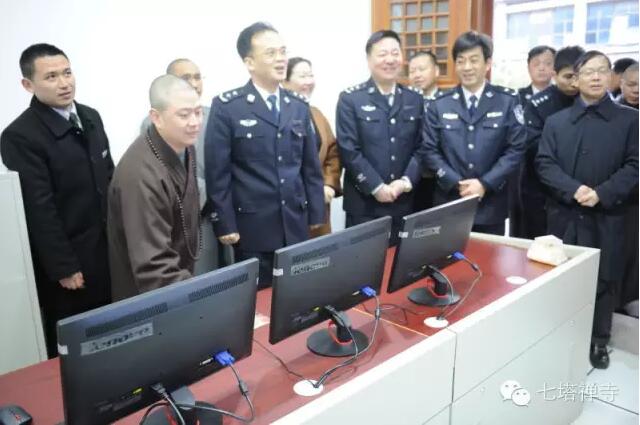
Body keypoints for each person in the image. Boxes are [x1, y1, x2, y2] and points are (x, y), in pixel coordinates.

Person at [0, 43, 113, 358]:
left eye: (67, 72)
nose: (64, 83)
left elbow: (109, 176)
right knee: (78, 347)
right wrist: (64, 266)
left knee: (115, 335)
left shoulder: (89, 116)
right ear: (28, 84)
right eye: (51, 77)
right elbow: (39, 208)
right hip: (70, 264)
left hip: (105, 249)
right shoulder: (20, 136)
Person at [536, 51, 639, 369]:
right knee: (562, 276)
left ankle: (599, 340)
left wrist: (602, 193)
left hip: (610, 214)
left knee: (605, 278)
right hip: (565, 213)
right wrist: (574, 189)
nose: (595, 77)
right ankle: (560, 334)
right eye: (588, 71)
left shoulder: (630, 120)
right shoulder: (557, 122)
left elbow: (635, 165)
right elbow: (544, 163)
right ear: (575, 78)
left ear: (611, 77)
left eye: (602, 71)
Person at [205, 22, 324, 288]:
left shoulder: (298, 105)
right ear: (249, 62)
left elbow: (310, 166)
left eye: (283, 51)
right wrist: (225, 223)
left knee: (300, 294)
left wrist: (316, 212)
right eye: (271, 53)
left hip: (295, 224)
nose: (281, 59)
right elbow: (218, 172)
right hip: (253, 228)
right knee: (259, 301)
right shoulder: (228, 107)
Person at [421, 31, 525, 235]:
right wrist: (455, 182)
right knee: (447, 255)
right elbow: (429, 150)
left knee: (489, 255)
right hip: (449, 200)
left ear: (488, 63)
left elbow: (516, 149)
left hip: (491, 203)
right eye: (461, 61)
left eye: (474, 60)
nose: (467, 67)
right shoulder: (439, 104)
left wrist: (485, 183)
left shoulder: (507, 101)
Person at [108, 75, 202, 301]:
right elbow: (153, 265)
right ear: (156, 117)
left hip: (178, 280)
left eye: (198, 112)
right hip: (150, 296)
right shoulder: (140, 175)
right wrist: (200, 296)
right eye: (184, 115)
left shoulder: (183, 144)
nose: (194, 122)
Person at [336, 30, 424, 245]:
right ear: (369, 59)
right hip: (364, 204)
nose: (390, 60)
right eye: (382, 54)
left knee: (402, 262)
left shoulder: (414, 99)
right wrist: (376, 186)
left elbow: (422, 147)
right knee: (362, 263)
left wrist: (405, 182)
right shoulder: (351, 99)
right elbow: (349, 150)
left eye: (395, 53)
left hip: (404, 202)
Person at [141, 58, 220, 274]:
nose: (193, 83)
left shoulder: (215, 114)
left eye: (197, 77)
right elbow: (166, 171)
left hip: (221, 211)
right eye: (186, 78)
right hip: (189, 216)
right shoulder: (155, 123)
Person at [510, 46, 585, 239]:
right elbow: (533, 148)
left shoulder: (590, 101)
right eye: (569, 76)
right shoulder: (538, 104)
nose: (575, 82)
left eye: (579, 76)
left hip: (584, 190)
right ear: (556, 74)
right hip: (542, 188)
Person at [283, 57, 341, 237]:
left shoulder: (315, 113)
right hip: (289, 205)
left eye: (311, 75)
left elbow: (332, 152)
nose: (309, 81)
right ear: (284, 81)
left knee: (320, 252)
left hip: (319, 204)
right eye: (302, 76)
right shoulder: (277, 116)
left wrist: (329, 184)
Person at [408, 50, 443, 213]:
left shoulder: (447, 102)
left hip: (439, 178)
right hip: (408, 177)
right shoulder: (404, 103)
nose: (417, 75)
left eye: (422, 69)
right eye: (412, 71)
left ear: (436, 71)